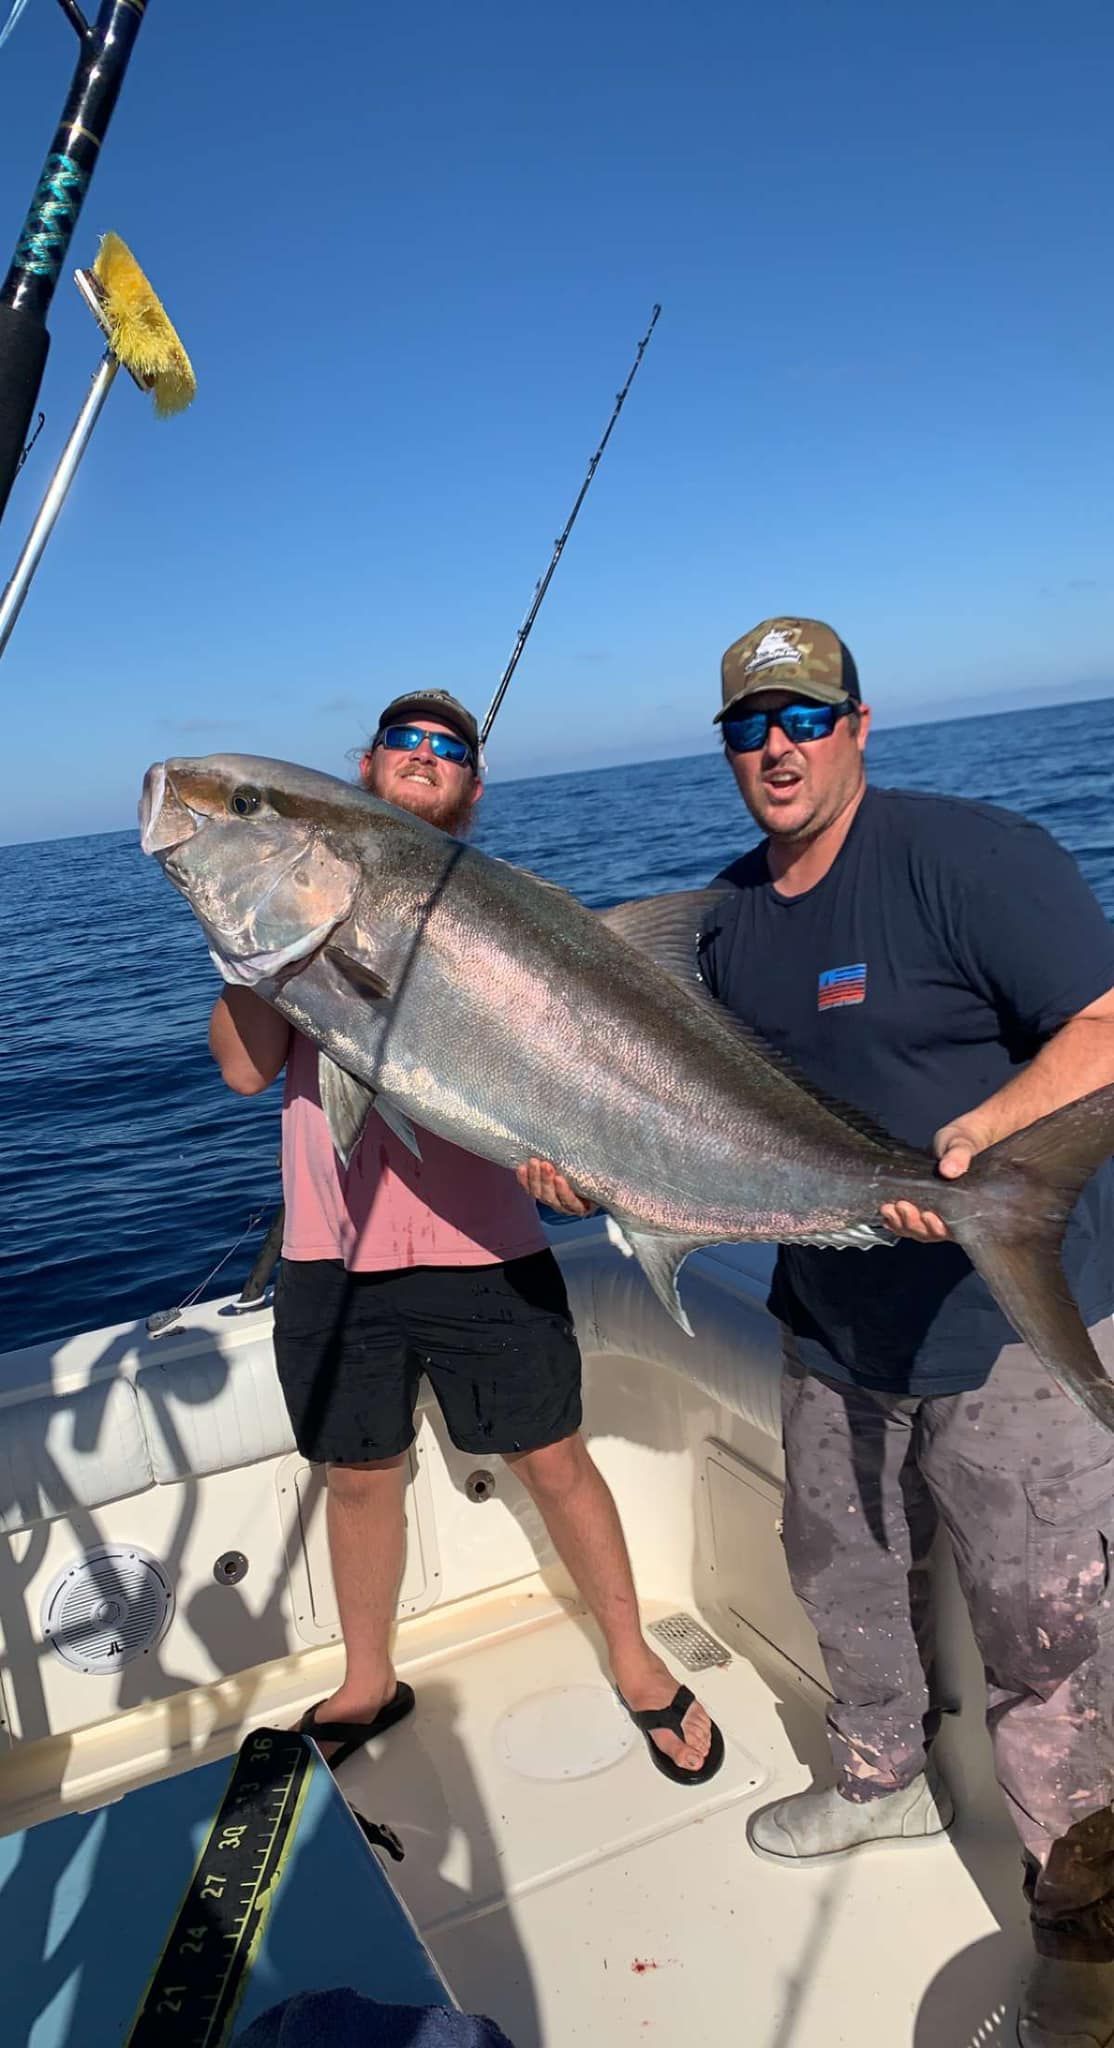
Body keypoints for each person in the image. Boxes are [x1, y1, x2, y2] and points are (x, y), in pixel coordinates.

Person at [528, 616, 1114, 2046]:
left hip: (1003, 1334)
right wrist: (572, 1156)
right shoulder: (721, 923)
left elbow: (1101, 1024)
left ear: (857, 722)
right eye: (747, 727)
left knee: (1049, 1643)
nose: (775, 747)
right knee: (841, 1574)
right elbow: (672, 1122)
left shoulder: (965, 857)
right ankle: (878, 1783)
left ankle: (1083, 1944)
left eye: (801, 717)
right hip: (828, 1324)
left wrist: (980, 1137)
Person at [210, 687, 722, 1788]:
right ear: (365, 767)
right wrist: (262, 941)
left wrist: (579, 1173)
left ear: (472, 792)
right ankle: (364, 1679)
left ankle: (634, 1658)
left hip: (488, 1245)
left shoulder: (524, 920)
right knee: (358, 1473)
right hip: (332, 1258)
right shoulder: (296, 903)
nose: (426, 757)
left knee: (552, 1454)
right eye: (406, 742)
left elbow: (567, 1094)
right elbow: (247, 1069)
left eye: (450, 749)